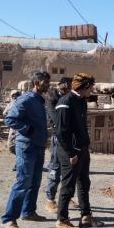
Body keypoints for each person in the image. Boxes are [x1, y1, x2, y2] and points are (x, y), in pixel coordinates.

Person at [1, 70, 50, 228]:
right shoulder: (26, 99)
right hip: (27, 146)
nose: (48, 85)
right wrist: (28, 130)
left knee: (35, 181)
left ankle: (28, 212)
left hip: (38, 146)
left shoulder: (40, 100)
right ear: (37, 83)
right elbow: (10, 118)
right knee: (23, 182)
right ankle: (9, 219)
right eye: (45, 82)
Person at [55, 73, 103, 228]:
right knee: (68, 186)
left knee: (84, 182)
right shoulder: (65, 102)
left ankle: (86, 216)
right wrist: (70, 153)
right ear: (84, 87)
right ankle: (62, 220)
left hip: (82, 149)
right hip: (70, 152)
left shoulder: (81, 101)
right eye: (91, 87)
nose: (92, 90)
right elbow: (61, 132)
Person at [44, 77, 78, 213]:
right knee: (55, 168)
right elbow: (56, 120)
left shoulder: (72, 99)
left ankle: (66, 197)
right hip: (58, 139)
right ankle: (50, 199)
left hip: (71, 139)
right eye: (69, 87)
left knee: (69, 169)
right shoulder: (52, 100)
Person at [4, 90, 21, 171]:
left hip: (20, 128)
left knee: (18, 146)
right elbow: (5, 113)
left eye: (16, 95)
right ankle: (19, 162)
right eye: (13, 95)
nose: (15, 96)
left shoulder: (22, 103)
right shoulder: (11, 104)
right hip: (13, 128)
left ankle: (18, 164)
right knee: (11, 146)